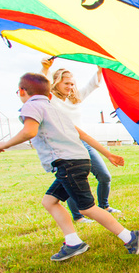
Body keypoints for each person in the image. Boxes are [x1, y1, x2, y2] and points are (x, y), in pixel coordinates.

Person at [0, 73, 139, 261]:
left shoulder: (31, 105)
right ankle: (73, 242)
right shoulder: (54, 110)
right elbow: (83, 134)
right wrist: (108, 154)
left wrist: (4, 144)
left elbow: (30, 131)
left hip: (67, 163)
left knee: (87, 208)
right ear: (49, 95)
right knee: (49, 201)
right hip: (78, 161)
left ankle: (129, 237)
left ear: (22, 91)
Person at [41, 57, 121, 223]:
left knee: (104, 176)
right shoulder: (51, 100)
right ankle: (78, 216)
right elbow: (42, 86)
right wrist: (45, 68)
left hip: (83, 143)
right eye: (66, 84)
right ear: (56, 83)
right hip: (66, 147)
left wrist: (99, 69)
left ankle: (104, 206)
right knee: (71, 183)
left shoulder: (74, 98)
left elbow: (92, 85)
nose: (70, 87)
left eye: (72, 84)